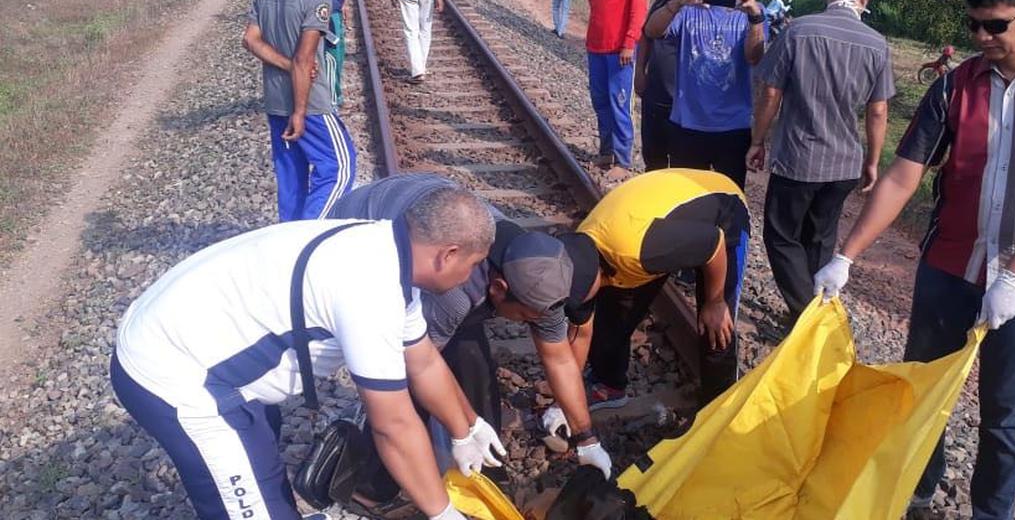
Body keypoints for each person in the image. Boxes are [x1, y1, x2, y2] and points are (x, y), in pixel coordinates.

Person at [813, 0, 1015, 519]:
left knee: (1005, 412)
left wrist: (1013, 277)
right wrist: (845, 256)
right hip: (949, 268)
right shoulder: (955, 86)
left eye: (995, 25)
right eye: (974, 25)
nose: (982, 37)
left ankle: (990, 513)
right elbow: (905, 174)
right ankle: (916, 490)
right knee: (921, 391)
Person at [111, 187, 503, 520]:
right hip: (176, 374)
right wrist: (442, 513)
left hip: (192, 339)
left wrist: (465, 428)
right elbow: (393, 425)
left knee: (261, 476)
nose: (469, 279)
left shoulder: (385, 249)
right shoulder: (371, 289)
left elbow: (423, 360)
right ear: (448, 254)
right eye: (471, 266)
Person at [329, 173, 614, 478]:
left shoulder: (542, 278)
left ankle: (487, 469)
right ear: (499, 289)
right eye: (528, 317)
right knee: (405, 384)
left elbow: (559, 358)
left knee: (472, 362)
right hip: (359, 224)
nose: (537, 323)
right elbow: (420, 366)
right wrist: (464, 430)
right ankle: (373, 482)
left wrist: (586, 438)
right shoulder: (453, 291)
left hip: (428, 207)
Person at [747, 0, 895, 326]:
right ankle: (813, 309)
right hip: (845, 163)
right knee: (820, 237)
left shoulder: (798, 31)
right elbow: (877, 112)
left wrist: (757, 140)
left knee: (781, 235)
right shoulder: (878, 45)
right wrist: (872, 161)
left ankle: (807, 318)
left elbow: (770, 92)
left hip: (799, 158)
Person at [572, 168, 750, 408]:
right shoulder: (584, 250)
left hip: (722, 211)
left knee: (716, 327)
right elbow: (580, 330)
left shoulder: (635, 252)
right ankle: (610, 384)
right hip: (659, 223)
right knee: (613, 312)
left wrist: (715, 301)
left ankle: (721, 408)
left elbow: (714, 242)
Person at [242, 0, 357, 221]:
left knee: (291, 179)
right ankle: (307, 237)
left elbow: (250, 40)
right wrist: (300, 111)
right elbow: (305, 60)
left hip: (276, 100)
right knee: (340, 167)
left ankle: (288, 239)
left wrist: (284, 64)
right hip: (310, 104)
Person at [642, 0, 766, 190]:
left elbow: (754, 57)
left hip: (733, 128)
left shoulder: (753, 12)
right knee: (686, 199)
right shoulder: (686, 7)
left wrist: (754, 18)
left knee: (727, 200)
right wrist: (678, 2)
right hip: (687, 125)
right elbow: (652, 31)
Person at [580, 0, 647, 180]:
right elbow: (594, 2)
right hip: (595, 46)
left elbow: (639, 5)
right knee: (600, 101)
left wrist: (629, 42)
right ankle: (606, 151)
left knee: (620, 102)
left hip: (621, 50)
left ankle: (623, 160)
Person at [634, 0, 696, 172]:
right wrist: (639, 71)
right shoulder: (662, 3)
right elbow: (646, 36)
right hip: (656, 97)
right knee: (654, 160)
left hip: (685, 106)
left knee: (683, 168)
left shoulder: (703, 8)